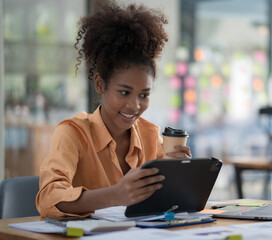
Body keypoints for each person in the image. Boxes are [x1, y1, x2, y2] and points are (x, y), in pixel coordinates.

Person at [36, 0, 191, 217]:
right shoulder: (73, 133)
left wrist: (178, 176)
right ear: (100, 84)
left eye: (144, 95)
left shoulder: (150, 136)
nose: (135, 106)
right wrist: (115, 195)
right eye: (124, 92)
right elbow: (48, 197)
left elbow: (163, 204)